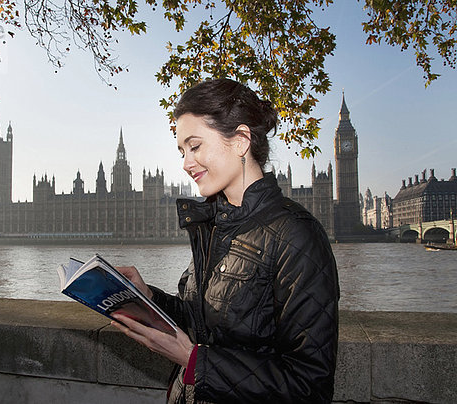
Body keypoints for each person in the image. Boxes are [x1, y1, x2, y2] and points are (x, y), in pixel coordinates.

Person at [112, 78, 339, 403]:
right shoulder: (214, 226)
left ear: (240, 141)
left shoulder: (297, 235)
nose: (186, 163)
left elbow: (309, 388)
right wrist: (148, 297)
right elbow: (201, 322)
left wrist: (195, 362)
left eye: (195, 146)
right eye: (182, 151)